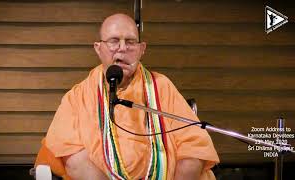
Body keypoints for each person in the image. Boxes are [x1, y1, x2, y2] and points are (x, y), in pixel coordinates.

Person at [45, 13, 219, 180]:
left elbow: (194, 149)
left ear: (141, 49)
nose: (122, 48)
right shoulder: (77, 96)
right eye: (114, 41)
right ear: (98, 48)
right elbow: (74, 160)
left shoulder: (161, 86)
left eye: (130, 42)